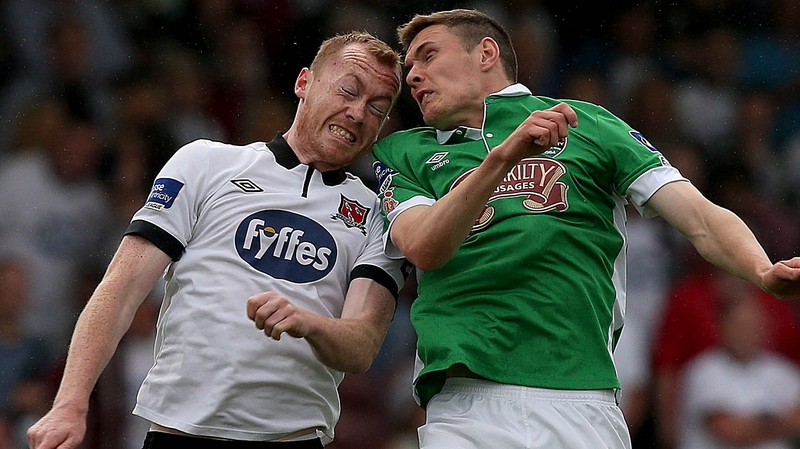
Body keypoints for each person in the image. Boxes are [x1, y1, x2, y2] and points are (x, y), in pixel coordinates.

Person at [370, 9, 800, 449]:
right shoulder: (403, 151)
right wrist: (502, 157)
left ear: (485, 53)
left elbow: (700, 217)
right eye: (410, 69)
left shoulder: (588, 123)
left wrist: (761, 270)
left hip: (582, 398)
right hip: (465, 404)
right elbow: (423, 247)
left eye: (427, 57)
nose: (414, 76)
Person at [27, 30, 405, 449]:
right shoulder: (206, 162)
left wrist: (308, 323)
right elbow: (119, 291)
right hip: (180, 432)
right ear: (304, 83)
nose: (357, 113)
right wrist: (69, 402)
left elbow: (362, 348)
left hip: (293, 438)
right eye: (347, 91)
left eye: (377, 108)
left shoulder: (379, 212)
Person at [678, 283, 800, 449]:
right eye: (740, 327)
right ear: (721, 327)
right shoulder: (703, 371)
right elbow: (731, 431)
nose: (747, 334)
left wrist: (756, 424)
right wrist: (782, 421)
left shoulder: (783, 371)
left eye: (753, 327)